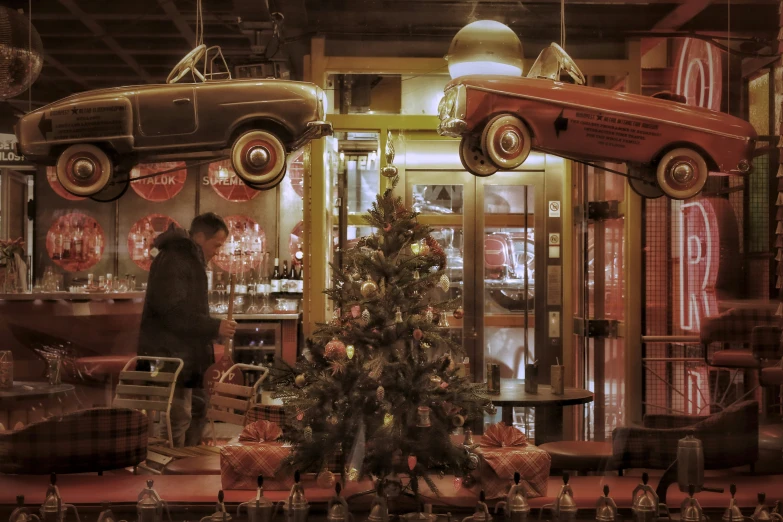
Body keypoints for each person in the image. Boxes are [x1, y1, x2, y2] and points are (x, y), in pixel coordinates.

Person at [138, 212, 237, 447]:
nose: (217, 251)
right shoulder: (176, 260)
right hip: (171, 356)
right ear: (200, 237)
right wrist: (215, 326)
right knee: (177, 418)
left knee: (197, 411)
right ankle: (170, 468)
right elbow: (174, 314)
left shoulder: (186, 259)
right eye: (216, 245)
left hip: (185, 355)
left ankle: (188, 465)